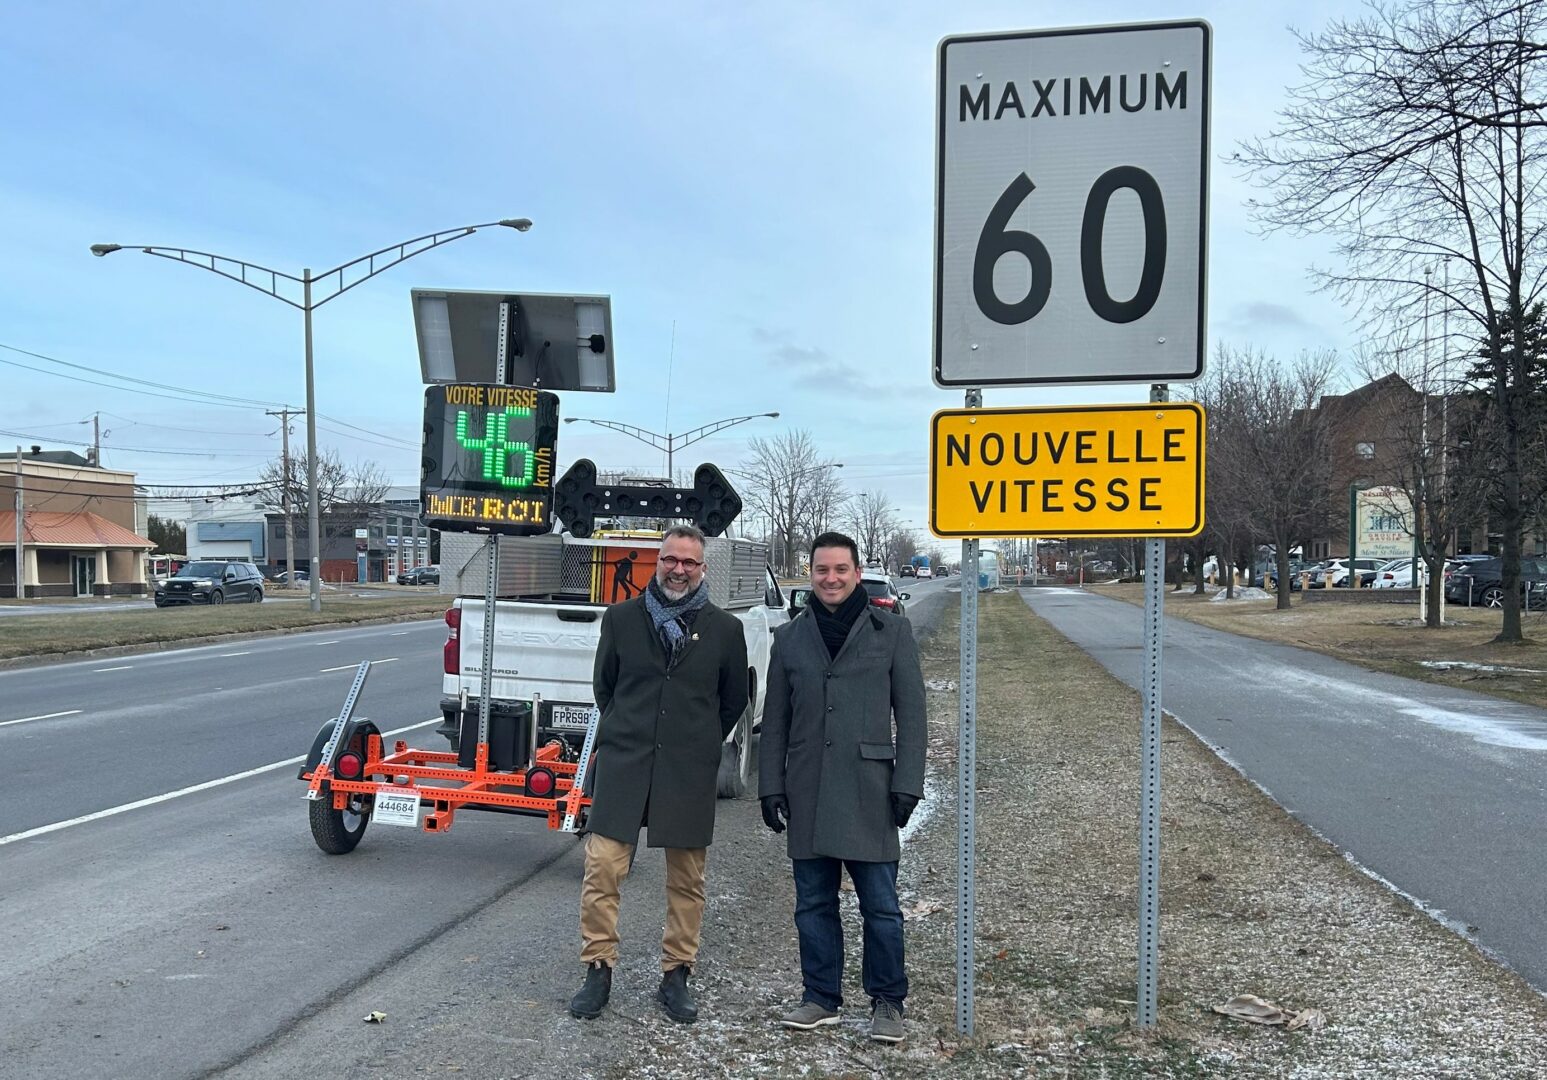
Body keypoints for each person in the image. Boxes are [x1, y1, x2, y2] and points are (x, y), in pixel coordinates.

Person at [569, 524, 750, 1024]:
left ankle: (676, 974)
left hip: (688, 770)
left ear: (703, 568)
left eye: (689, 562)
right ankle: (598, 968)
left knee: (688, 879)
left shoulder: (725, 631)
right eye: (671, 559)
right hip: (626, 763)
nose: (679, 569)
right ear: (658, 561)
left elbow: (732, 700)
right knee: (602, 867)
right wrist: (630, 729)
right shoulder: (622, 620)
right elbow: (605, 687)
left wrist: (696, 740)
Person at [758, 531, 926, 1044]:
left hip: (870, 790)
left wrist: (907, 784)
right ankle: (820, 997)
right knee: (812, 902)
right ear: (810, 575)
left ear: (856, 572)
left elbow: (913, 715)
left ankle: (888, 1002)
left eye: (840, 570)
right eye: (821, 571)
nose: (830, 579)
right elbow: (777, 722)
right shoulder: (790, 638)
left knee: (880, 904)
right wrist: (770, 787)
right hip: (807, 788)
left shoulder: (891, 632)